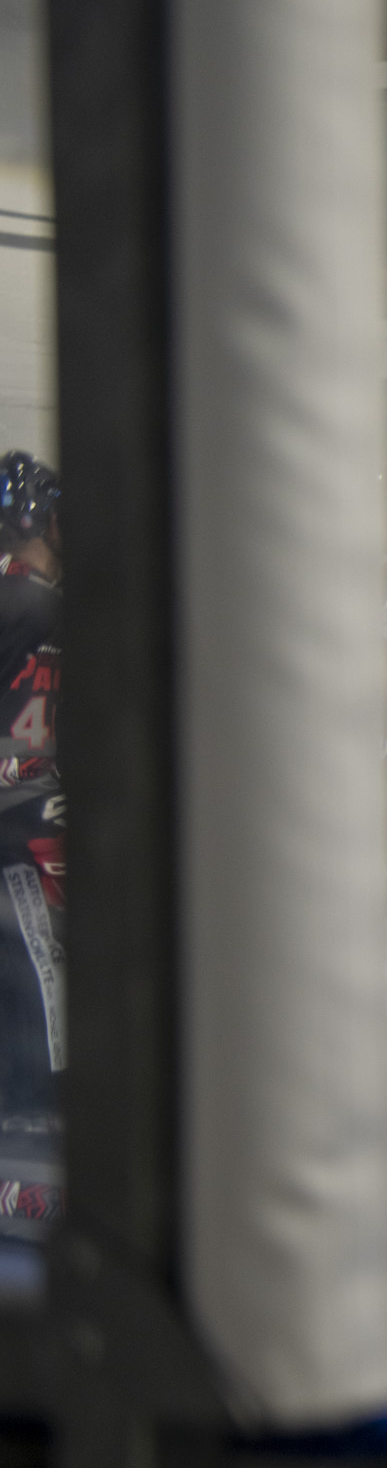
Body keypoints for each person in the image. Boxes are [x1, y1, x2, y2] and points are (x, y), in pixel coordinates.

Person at [0, 454, 61, 1233]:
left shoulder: (41, 603)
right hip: (15, 854)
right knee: (42, 1018)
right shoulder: (31, 607)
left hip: (30, 847)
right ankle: (26, 1185)